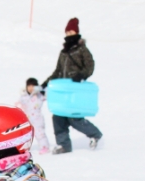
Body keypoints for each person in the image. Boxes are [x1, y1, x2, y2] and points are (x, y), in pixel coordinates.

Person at [42, 18, 101, 154]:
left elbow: (90, 65)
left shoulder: (82, 49)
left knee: (74, 117)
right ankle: (64, 145)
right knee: (58, 117)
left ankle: (95, 134)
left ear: (76, 32)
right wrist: (46, 83)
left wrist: (81, 75)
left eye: (71, 31)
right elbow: (58, 71)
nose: (69, 34)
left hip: (75, 89)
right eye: (67, 31)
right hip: (62, 89)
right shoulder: (64, 52)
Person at [16, 78, 50, 154]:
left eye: (33, 86)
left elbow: (48, 95)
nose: (31, 88)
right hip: (26, 119)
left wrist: (41, 90)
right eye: (29, 86)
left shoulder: (39, 95)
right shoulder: (23, 96)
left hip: (37, 118)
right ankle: (23, 149)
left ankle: (45, 147)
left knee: (39, 133)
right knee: (24, 135)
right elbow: (18, 105)